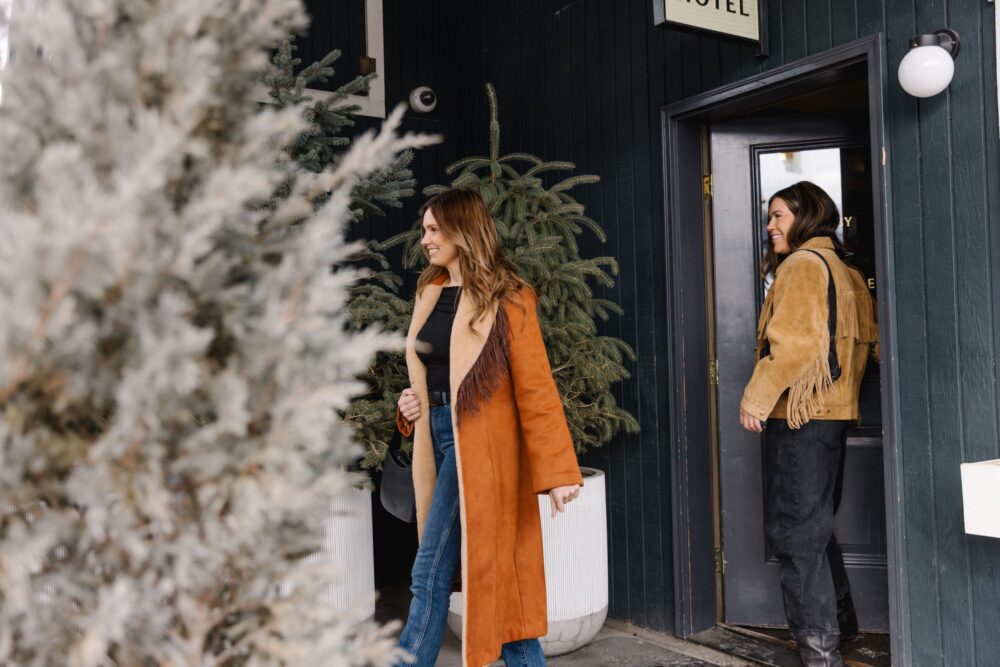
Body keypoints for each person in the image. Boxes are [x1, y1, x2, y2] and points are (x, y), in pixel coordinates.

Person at [394, 187, 584, 667]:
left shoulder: (508, 298)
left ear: (462, 229)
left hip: (478, 446)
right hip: (436, 437)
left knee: (430, 568)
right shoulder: (430, 293)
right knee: (498, 581)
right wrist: (408, 407)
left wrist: (558, 472)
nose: (425, 240)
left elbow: (536, 389)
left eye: (434, 229)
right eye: (424, 230)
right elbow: (431, 375)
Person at [739, 181, 878, 667]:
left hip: (799, 417)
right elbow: (868, 347)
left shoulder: (800, 267)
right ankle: (842, 626)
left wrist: (756, 400)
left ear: (807, 215)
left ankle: (819, 654)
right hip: (833, 416)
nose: (770, 226)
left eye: (778, 216)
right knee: (814, 528)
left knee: (798, 534)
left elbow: (794, 346)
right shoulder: (846, 270)